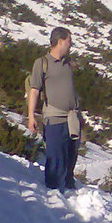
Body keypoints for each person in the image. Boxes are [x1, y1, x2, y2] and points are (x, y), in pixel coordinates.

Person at [28, 27, 82, 192]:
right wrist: (31, 116)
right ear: (59, 41)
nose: (70, 45)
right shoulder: (42, 63)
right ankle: (52, 191)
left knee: (71, 154)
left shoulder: (68, 63)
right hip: (54, 117)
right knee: (55, 155)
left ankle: (67, 185)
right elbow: (34, 90)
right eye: (68, 41)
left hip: (72, 118)